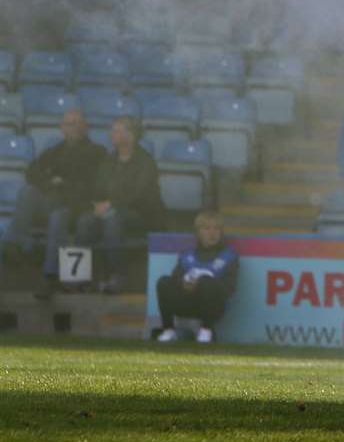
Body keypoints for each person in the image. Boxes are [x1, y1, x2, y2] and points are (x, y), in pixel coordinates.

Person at [2, 109, 106, 300]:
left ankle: (49, 276)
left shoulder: (98, 153)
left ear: (85, 127)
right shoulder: (54, 151)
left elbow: (93, 186)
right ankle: (16, 243)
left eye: (77, 123)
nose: (73, 127)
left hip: (78, 208)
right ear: (62, 128)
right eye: (69, 123)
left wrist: (62, 184)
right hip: (53, 202)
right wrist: (50, 182)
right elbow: (32, 173)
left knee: (58, 215)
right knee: (28, 192)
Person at [76, 115, 165, 293]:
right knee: (84, 221)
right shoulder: (109, 160)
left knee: (112, 219)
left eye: (117, 130)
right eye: (112, 130)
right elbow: (98, 188)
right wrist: (96, 204)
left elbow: (139, 194)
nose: (112, 134)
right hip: (110, 210)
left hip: (140, 214)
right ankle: (81, 277)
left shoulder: (145, 162)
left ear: (131, 135)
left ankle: (118, 275)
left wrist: (110, 204)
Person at [156, 210, 240, 343]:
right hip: (187, 301)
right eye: (207, 228)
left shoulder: (229, 256)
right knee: (163, 282)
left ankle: (206, 331)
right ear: (198, 232)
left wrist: (203, 284)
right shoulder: (187, 255)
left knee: (206, 281)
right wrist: (184, 284)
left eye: (217, 228)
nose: (212, 233)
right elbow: (175, 278)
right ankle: (168, 330)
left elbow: (230, 288)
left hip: (214, 306)